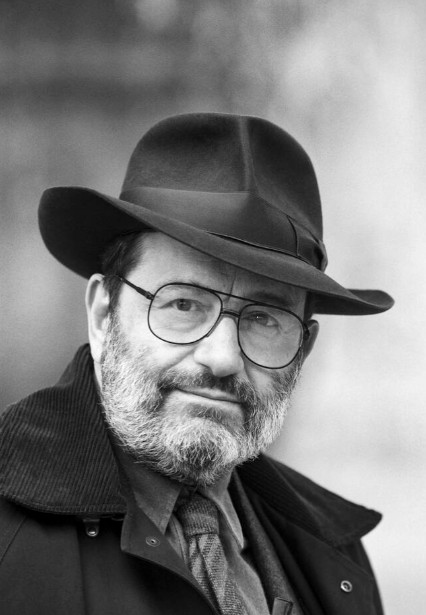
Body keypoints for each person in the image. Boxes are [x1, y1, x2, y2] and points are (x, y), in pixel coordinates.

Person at [0, 113, 393, 615]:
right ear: (102, 314)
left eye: (264, 319)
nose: (222, 357)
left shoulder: (336, 552)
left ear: (303, 349)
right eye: (183, 304)